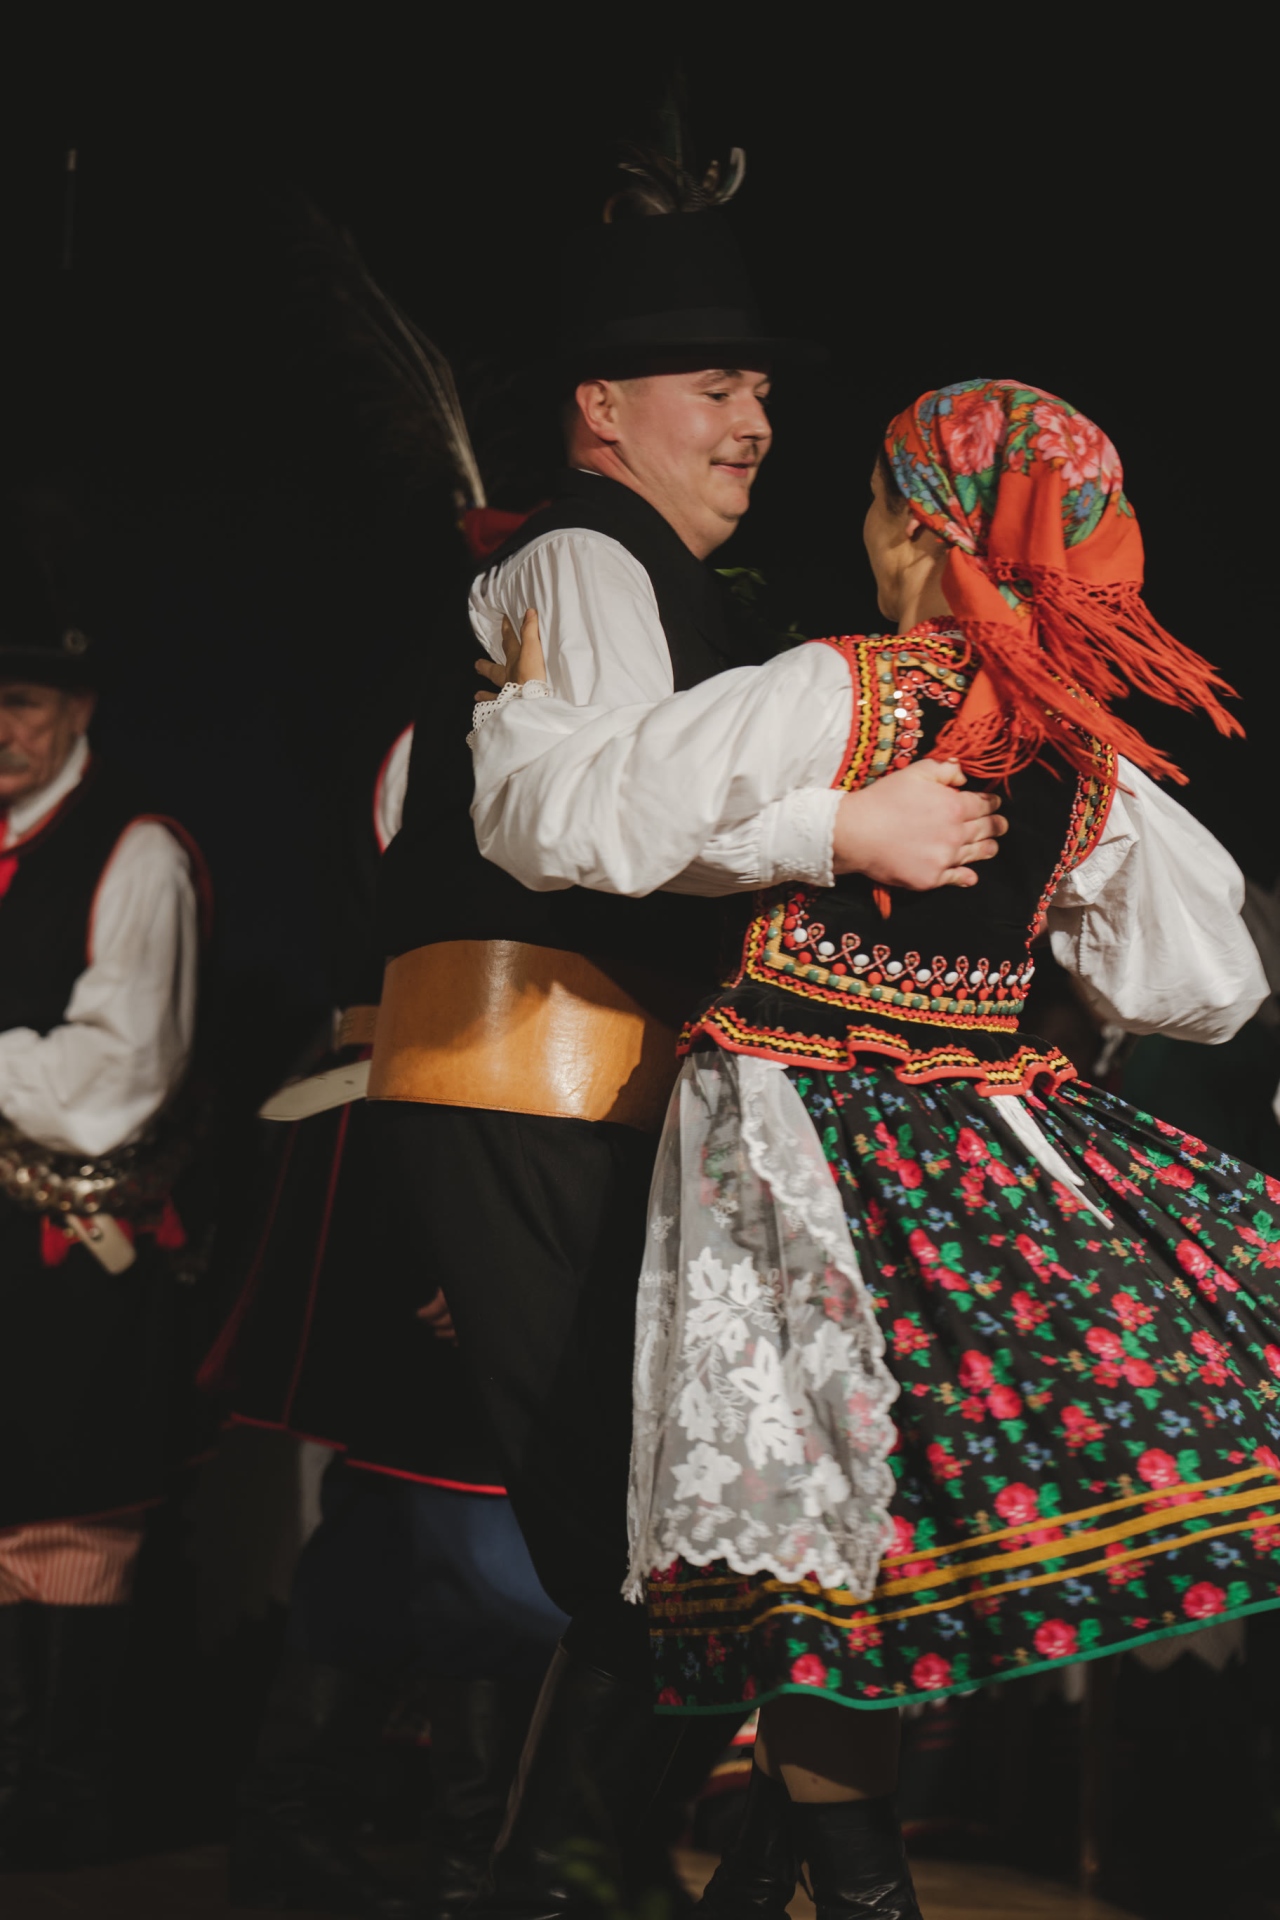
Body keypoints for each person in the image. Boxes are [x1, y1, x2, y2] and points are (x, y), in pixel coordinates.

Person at [468, 379, 1280, 1919]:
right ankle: (787, 1868)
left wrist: (531, 722)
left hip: (799, 1141)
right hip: (981, 1149)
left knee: (803, 1530)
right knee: (890, 1528)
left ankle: (851, 1888)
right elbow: (1212, 978)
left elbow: (566, 819)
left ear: (915, 528)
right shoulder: (1083, 753)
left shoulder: (838, 687)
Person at [371, 158, 1006, 1914]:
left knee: (686, 1520)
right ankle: (588, 1876)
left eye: (763, 393)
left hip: (589, 1083)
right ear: (602, 409)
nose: (757, 423)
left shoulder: (648, 579)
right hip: (539, 1070)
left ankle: (604, 1876)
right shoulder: (586, 555)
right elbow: (574, 821)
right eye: (716, 388)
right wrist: (835, 830)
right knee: (649, 1523)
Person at [202, 718, 566, 1920]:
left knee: (404, 1503)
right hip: (444, 1141)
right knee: (461, 1497)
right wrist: (461, 1237)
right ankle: (463, 1867)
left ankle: (301, 1823)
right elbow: (439, 992)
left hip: (475, 1140)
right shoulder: (456, 737)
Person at [0, 537, 209, 1867]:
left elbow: (110, 1085)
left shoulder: (135, 853)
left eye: (20, 701)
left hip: (71, 1251)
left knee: (67, 1511)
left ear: (77, 707)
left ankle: (60, 1806)